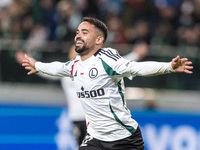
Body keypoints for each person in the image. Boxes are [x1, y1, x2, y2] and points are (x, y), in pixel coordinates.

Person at [22, 17, 193, 150]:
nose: (78, 35)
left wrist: (169, 66)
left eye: (85, 32)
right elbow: (58, 68)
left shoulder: (107, 60)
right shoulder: (75, 65)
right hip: (95, 138)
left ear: (98, 40)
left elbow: (136, 68)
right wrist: (37, 65)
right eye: (77, 32)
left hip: (124, 138)